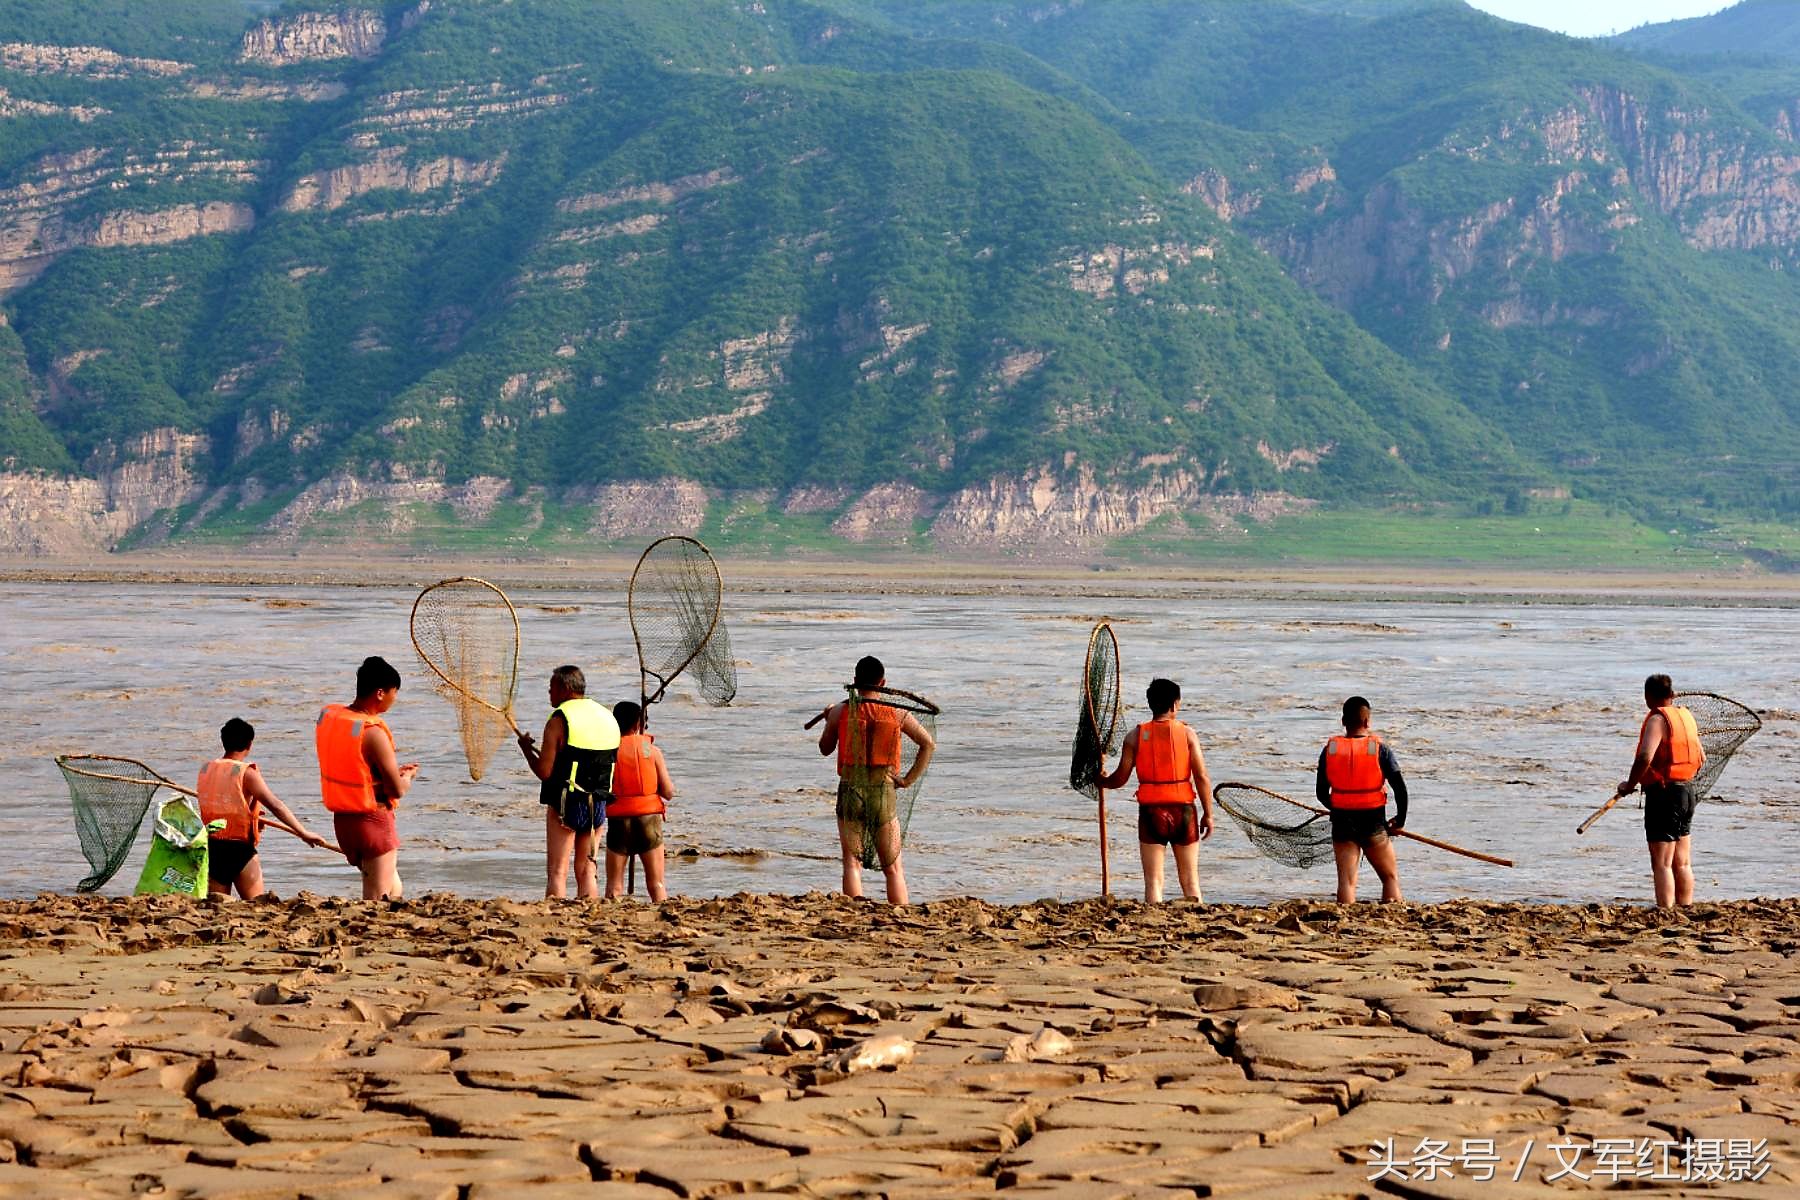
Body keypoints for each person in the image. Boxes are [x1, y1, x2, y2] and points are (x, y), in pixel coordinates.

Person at [817, 655, 934, 905]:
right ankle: (900, 911)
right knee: (893, 868)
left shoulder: (841, 711)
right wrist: (907, 780)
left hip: (850, 790)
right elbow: (928, 744)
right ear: (883, 683)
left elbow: (825, 749)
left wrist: (829, 721)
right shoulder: (898, 713)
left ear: (855, 681)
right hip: (883, 790)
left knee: (851, 863)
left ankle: (854, 911)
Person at [1099, 678, 1214, 902]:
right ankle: (1197, 919)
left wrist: (1102, 780)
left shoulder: (1135, 736)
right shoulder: (1188, 734)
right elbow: (1201, 777)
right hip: (1184, 812)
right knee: (1190, 880)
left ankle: (1154, 917)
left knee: (1153, 881)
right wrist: (1208, 814)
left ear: (1151, 704)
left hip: (1152, 813)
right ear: (1174, 705)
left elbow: (1120, 778)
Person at [316, 655, 417, 900]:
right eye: (395, 692)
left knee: (395, 889)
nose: (395, 698)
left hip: (344, 822)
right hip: (373, 822)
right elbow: (396, 791)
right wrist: (407, 776)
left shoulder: (330, 717)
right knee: (376, 899)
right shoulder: (372, 732)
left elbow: (356, 763)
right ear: (381, 693)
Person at [197, 717, 328, 899]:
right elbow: (276, 805)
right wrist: (303, 832)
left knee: (219, 905)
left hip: (212, 847)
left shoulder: (206, 769)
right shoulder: (246, 772)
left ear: (223, 741)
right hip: (239, 850)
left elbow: (221, 803)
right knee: (256, 904)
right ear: (249, 744)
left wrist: (254, 816)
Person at [517, 665, 618, 899]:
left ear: (564, 689)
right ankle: (590, 913)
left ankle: (555, 915)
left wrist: (525, 749)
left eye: (551, 688)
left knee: (557, 871)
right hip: (598, 804)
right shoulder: (607, 716)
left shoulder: (559, 720)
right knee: (587, 869)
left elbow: (544, 771)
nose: (549, 693)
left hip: (566, 804)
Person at [1613, 673, 1705, 908]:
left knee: (1662, 863)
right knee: (1682, 862)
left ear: (1648, 696)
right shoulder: (1687, 718)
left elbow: (1645, 756)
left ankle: (1665, 910)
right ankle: (1686, 907)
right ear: (1671, 695)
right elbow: (1701, 758)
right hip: (1687, 792)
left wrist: (1630, 785)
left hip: (1664, 794)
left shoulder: (1657, 720)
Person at [1316, 695, 1408, 904]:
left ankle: (1344, 917)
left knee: (1346, 883)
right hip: (1373, 822)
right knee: (1389, 877)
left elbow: (1321, 792)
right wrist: (1400, 820)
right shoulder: (1379, 749)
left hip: (1342, 823)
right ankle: (1392, 912)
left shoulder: (1330, 750)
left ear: (1343, 722)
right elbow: (1400, 789)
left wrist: (1338, 808)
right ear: (1367, 722)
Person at [605, 700, 675, 901]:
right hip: (648, 820)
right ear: (639, 725)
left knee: (614, 885)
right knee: (656, 883)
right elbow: (668, 792)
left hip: (619, 821)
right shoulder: (652, 752)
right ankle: (662, 915)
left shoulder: (608, 752)